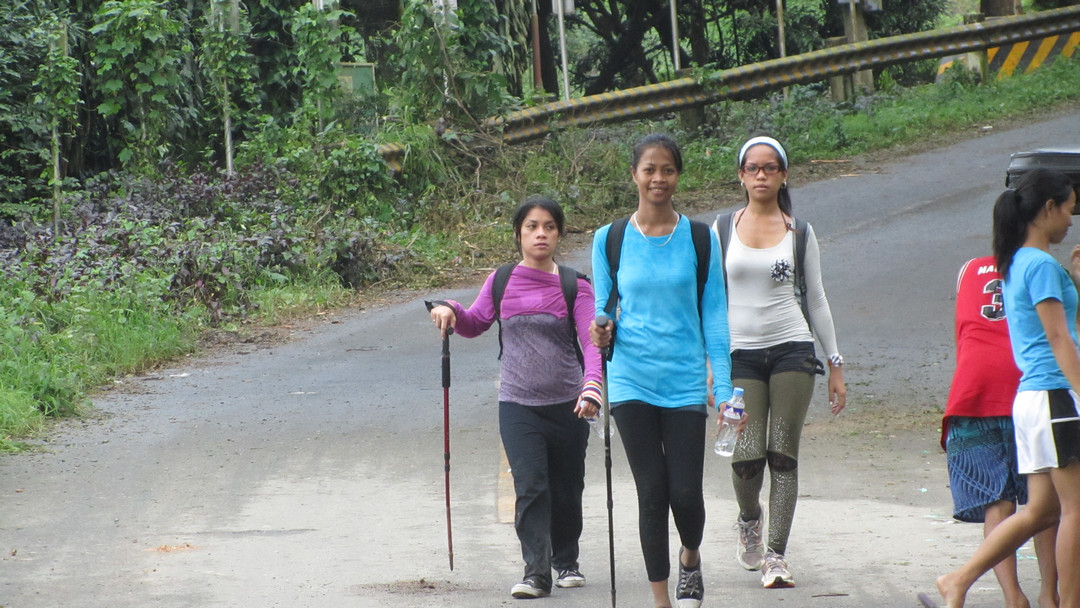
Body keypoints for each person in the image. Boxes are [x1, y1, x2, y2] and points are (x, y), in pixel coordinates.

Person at [427, 195, 603, 600]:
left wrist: (592, 385)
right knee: (531, 486)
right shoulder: (502, 280)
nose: (541, 234)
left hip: (569, 404)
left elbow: (591, 341)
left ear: (559, 234)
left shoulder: (575, 285)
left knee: (567, 487)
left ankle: (566, 559)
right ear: (518, 234)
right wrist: (450, 308)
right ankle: (536, 572)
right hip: (518, 404)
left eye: (549, 227)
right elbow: (474, 322)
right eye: (532, 227)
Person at [590, 133, 732, 608]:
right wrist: (601, 327)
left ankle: (690, 557)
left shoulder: (700, 238)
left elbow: (714, 316)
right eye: (649, 169)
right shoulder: (609, 239)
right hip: (631, 379)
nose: (658, 178)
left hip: (684, 381)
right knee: (651, 492)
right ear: (634, 174)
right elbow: (603, 306)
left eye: (667, 169)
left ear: (678, 176)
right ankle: (661, 601)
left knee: (685, 494)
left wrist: (725, 388)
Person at [930, 168, 1080, 608]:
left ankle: (958, 579)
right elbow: (1058, 336)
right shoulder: (1042, 264)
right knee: (1074, 509)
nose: (1070, 221)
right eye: (1069, 210)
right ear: (1048, 208)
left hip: (1030, 399)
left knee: (1042, 510)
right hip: (1054, 395)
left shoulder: (1016, 262)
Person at [714, 135, 846, 589]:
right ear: (741, 176)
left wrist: (835, 364)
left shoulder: (800, 232)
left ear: (783, 175)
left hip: (792, 349)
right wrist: (711, 363)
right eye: (753, 168)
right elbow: (710, 300)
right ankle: (749, 517)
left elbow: (817, 299)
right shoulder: (721, 229)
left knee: (783, 454)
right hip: (740, 357)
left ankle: (776, 555)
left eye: (770, 168)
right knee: (746, 456)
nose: (761, 175)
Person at [940, 255, 1058, 608]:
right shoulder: (1042, 266)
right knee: (1046, 501)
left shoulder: (968, 268)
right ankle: (1049, 595)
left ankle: (1013, 598)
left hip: (973, 388)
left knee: (998, 502)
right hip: (1027, 387)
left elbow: (963, 334)